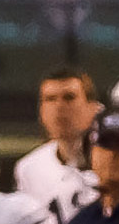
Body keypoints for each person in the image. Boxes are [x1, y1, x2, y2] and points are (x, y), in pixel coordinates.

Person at [16, 70, 99, 213]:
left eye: (69, 98)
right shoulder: (29, 169)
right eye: (50, 99)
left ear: (93, 108)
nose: (59, 107)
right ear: (41, 111)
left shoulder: (117, 160)